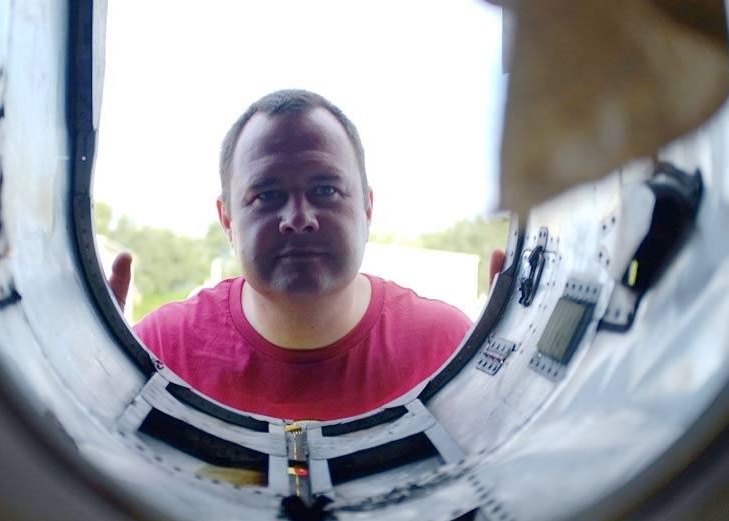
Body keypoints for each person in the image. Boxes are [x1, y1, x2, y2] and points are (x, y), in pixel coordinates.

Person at [109, 89, 506, 421]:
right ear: (227, 220)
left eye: (325, 190)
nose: (298, 219)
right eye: (267, 195)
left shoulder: (449, 347)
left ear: (367, 209)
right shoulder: (159, 350)